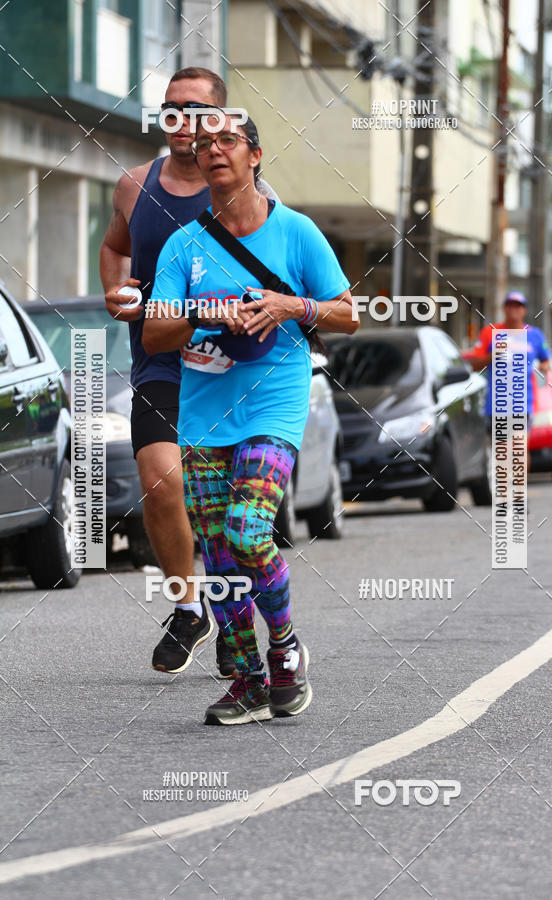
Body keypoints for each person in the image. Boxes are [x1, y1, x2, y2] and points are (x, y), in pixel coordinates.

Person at [142, 115, 357, 725]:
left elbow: (349, 315)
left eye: (226, 141)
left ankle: (285, 647)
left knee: (245, 533)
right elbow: (155, 333)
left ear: (255, 155)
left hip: (274, 404)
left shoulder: (296, 232)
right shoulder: (184, 246)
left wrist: (291, 305)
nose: (212, 151)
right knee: (217, 554)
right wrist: (200, 311)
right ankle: (246, 679)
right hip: (204, 415)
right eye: (202, 143)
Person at [99, 67, 275, 679]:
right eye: (172, 109)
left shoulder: (245, 192)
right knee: (158, 476)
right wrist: (116, 290)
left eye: (198, 112)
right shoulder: (134, 185)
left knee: (226, 517)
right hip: (158, 358)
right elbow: (115, 245)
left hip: (227, 369)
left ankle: (245, 625)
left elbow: (279, 275)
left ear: (222, 121)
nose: (184, 122)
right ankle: (187, 607)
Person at [471, 291, 551, 466]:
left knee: (519, 449)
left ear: (524, 310)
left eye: (518, 306)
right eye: (510, 305)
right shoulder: (489, 332)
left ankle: (519, 490)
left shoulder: (535, 334)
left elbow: (546, 360)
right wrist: (494, 355)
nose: (514, 309)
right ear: (504, 309)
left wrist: (543, 367)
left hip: (524, 402)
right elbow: (475, 365)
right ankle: (506, 489)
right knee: (503, 452)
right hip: (497, 404)